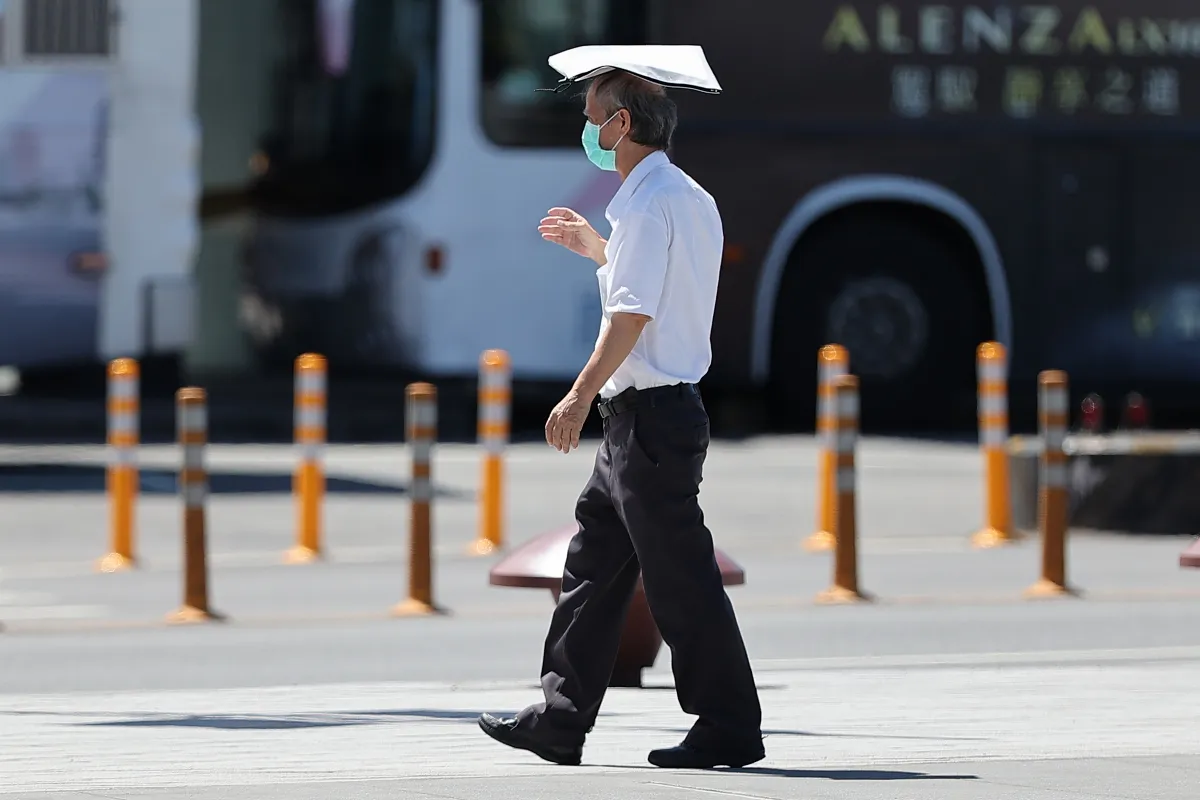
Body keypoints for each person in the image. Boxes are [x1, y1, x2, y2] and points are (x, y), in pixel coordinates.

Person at [477, 45, 764, 770]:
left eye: (591, 118)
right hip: (650, 421)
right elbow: (659, 293)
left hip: (649, 422)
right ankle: (561, 718)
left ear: (620, 125)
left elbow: (632, 318)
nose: (587, 128)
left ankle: (728, 722)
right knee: (592, 565)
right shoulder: (686, 198)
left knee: (679, 578)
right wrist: (598, 249)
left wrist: (575, 396)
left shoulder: (643, 203)